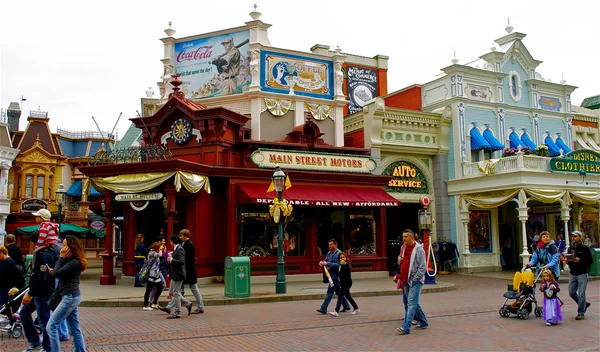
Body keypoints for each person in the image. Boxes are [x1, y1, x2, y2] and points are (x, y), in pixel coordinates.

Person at [19, 226, 58, 352]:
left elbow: (41, 276)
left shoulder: (43, 254)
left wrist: (30, 293)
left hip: (42, 292)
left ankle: (47, 347)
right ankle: (35, 341)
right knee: (24, 314)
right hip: (39, 290)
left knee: (44, 320)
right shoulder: (47, 252)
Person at [47, 235, 87, 352]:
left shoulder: (74, 262)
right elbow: (58, 272)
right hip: (70, 296)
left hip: (69, 297)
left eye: (64, 245)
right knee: (74, 329)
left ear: (71, 247)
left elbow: (56, 274)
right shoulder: (70, 260)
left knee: (51, 326)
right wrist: (56, 269)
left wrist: (60, 257)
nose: (62, 248)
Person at [396, 229, 428, 335]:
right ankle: (423, 321)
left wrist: (415, 279)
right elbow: (402, 260)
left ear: (412, 237)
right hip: (405, 279)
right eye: (403, 236)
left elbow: (422, 266)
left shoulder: (418, 249)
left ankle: (406, 326)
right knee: (412, 302)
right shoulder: (403, 247)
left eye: (406, 237)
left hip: (415, 281)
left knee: (411, 303)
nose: (404, 239)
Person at [159, 234, 192, 319]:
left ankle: (177, 312)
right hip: (175, 274)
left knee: (176, 293)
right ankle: (187, 303)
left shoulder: (180, 249)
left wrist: (172, 259)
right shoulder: (177, 248)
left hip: (178, 274)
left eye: (170, 241)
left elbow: (181, 261)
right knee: (172, 292)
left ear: (172, 241)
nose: (169, 242)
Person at [564, 231, 593, 320]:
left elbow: (590, 261)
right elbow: (570, 260)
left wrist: (580, 260)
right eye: (572, 236)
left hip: (582, 274)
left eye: (575, 236)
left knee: (581, 294)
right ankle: (584, 304)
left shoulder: (585, 248)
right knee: (571, 293)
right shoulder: (570, 248)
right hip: (573, 273)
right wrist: (567, 261)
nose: (573, 238)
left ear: (580, 238)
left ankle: (581, 312)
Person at [316, 239, 350, 314]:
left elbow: (338, 264)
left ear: (335, 245)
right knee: (339, 292)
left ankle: (323, 308)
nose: (329, 246)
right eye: (328, 245)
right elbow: (326, 260)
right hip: (331, 275)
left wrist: (327, 264)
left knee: (330, 292)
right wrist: (322, 262)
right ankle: (346, 305)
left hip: (336, 276)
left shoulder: (339, 254)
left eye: (331, 244)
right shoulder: (329, 253)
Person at [180, 229, 205, 314]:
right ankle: (199, 306)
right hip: (188, 270)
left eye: (181, 236)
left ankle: (200, 307)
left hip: (189, 270)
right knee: (179, 289)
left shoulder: (189, 245)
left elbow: (187, 259)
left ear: (185, 236)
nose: (180, 237)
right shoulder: (185, 244)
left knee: (194, 288)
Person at [329, 252, 359, 317]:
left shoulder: (346, 265)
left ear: (346, 258)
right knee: (348, 296)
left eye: (343, 257)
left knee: (340, 296)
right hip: (342, 283)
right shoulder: (340, 265)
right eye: (340, 258)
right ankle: (356, 307)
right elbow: (339, 274)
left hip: (346, 283)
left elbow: (344, 274)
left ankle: (336, 311)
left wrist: (342, 265)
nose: (342, 259)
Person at [143, 242, 163, 311]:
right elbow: (160, 255)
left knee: (160, 287)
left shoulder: (151, 252)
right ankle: (146, 305)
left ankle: (154, 303)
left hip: (155, 273)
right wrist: (161, 249)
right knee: (149, 290)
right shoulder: (153, 253)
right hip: (152, 273)